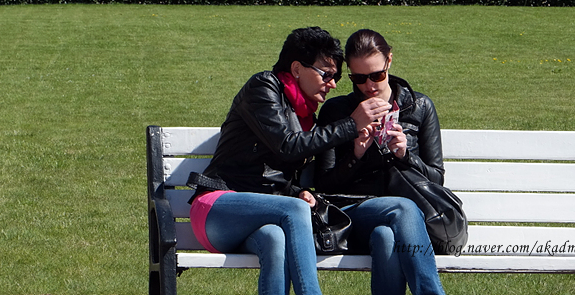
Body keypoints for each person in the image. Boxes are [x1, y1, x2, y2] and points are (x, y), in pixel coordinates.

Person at [190, 27, 389, 295]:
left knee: (274, 238)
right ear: (296, 69)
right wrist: (351, 125)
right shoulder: (263, 87)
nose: (332, 84)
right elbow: (286, 145)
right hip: (218, 208)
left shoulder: (306, 117)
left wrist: (300, 191)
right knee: (294, 210)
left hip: (261, 219)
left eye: (336, 77)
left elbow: (275, 177)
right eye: (326, 74)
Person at [315, 29, 447, 295]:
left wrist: (405, 155)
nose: (369, 86)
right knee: (401, 207)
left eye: (377, 75)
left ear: (389, 61)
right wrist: (356, 155)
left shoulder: (419, 106)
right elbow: (324, 185)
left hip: (409, 224)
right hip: (353, 214)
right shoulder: (337, 111)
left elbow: (436, 179)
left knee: (385, 236)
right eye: (358, 78)